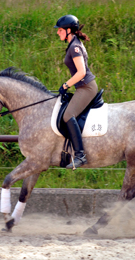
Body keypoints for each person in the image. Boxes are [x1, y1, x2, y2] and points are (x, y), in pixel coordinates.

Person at [55, 14, 98, 169]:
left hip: (86, 87)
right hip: (81, 86)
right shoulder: (73, 43)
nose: (57, 33)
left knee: (68, 115)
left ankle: (80, 155)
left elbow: (81, 72)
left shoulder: (74, 46)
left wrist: (66, 85)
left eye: (60, 30)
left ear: (68, 30)